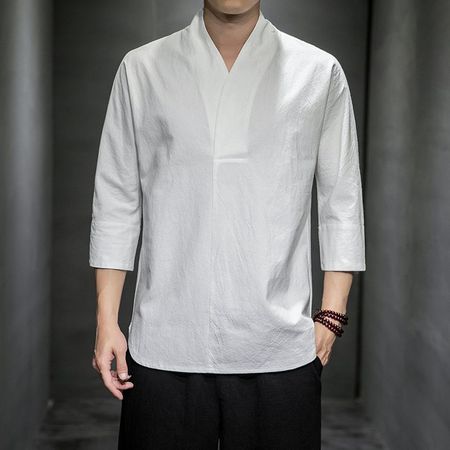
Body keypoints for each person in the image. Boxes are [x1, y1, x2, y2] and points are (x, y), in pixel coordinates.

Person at [89, 1, 366, 448]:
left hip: (278, 347)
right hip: (164, 342)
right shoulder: (142, 69)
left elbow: (341, 198)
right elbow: (117, 199)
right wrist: (107, 321)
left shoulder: (317, 72)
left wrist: (331, 315)